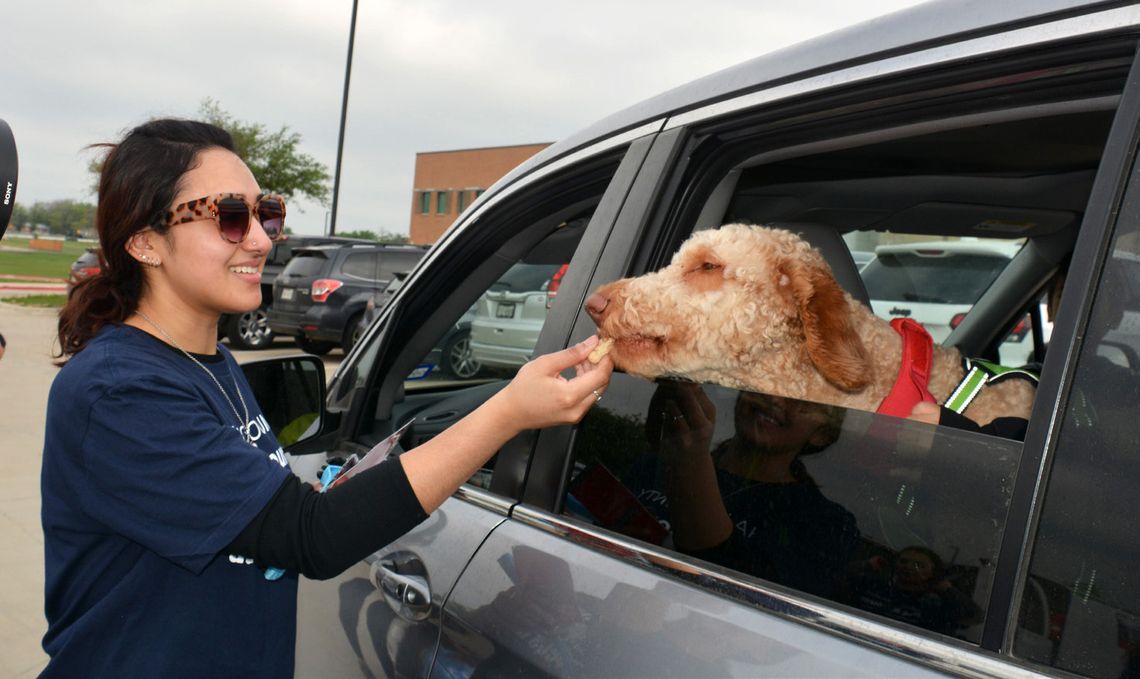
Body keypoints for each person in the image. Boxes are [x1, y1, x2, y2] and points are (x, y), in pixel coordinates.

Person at [40, 119, 612, 678]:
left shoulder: (209, 365)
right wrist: (508, 412)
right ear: (145, 242)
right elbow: (311, 537)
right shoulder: (119, 391)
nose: (264, 239)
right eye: (230, 217)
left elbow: (267, 512)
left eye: (267, 213)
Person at [629, 382, 859, 598]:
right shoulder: (653, 466)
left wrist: (690, 457)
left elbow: (738, 595)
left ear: (823, 433)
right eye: (767, 379)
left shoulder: (825, 525)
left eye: (803, 398)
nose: (775, 397)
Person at [847, 545, 982, 636]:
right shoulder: (875, 586)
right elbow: (836, 581)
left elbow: (975, 618)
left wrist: (948, 590)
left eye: (919, 565)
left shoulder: (935, 604)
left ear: (933, 573)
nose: (909, 567)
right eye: (903, 561)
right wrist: (865, 566)